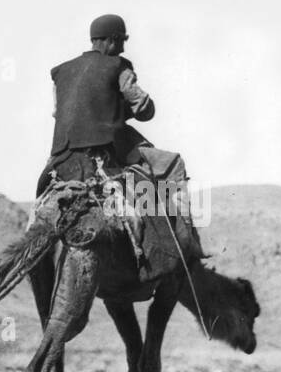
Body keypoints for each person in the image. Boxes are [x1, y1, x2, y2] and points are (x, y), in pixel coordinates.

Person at [37, 14, 204, 275]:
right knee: (173, 164)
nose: (124, 47)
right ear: (111, 41)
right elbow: (144, 109)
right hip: (104, 148)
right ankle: (188, 242)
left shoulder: (61, 72)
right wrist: (126, 108)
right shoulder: (119, 66)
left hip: (62, 157)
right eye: (122, 41)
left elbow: (60, 113)